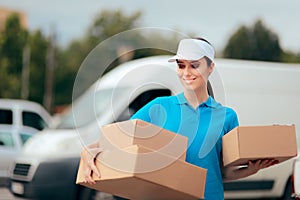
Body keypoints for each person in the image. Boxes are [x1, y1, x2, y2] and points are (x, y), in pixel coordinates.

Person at [80, 37, 278, 200]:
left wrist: (250, 170)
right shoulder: (159, 107)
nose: (186, 73)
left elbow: (220, 173)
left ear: (210, 67)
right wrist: (89, 150)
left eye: (194, 66)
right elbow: (118, 138)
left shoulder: (227, 116)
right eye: (181, 66)